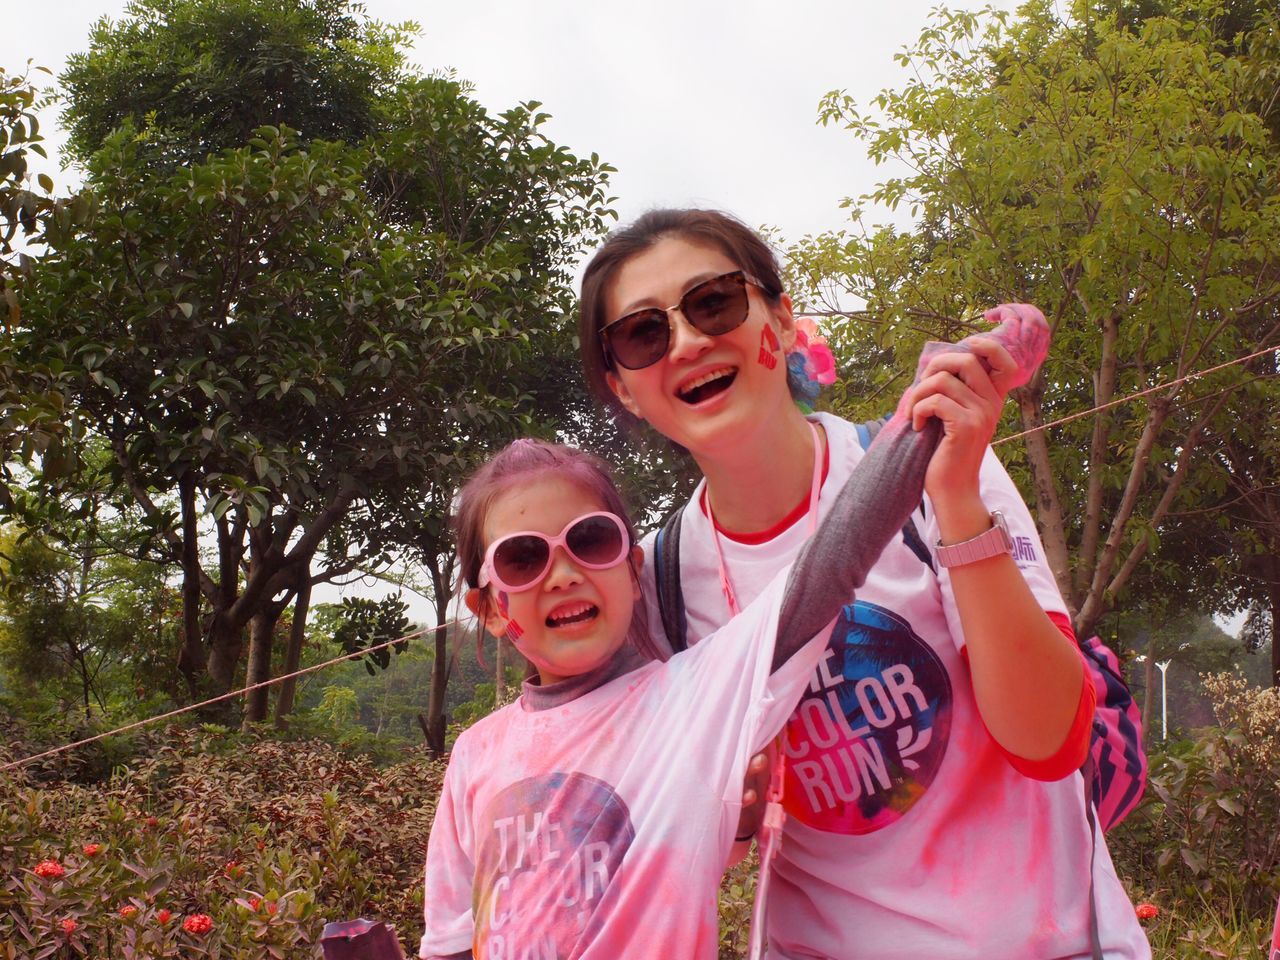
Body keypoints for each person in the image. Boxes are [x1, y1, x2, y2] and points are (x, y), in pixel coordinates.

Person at [577, 208, 1150, 959]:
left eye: (713, 302)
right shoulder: (656, 586)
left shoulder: (936, 460)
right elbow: (663, 836)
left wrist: (956, 502)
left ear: (778, 321)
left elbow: (1048, 742)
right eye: (642, 333)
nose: (687, 342)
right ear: (623, 387)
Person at [417, 404, 950, 959]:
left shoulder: (695, 699)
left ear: (632, 570)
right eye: (523, 559)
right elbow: (452, 940)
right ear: (490, 609)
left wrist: (927, 408)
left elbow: (828, 565)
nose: (566, 574)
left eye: (591, 540)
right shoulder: (475, 754)